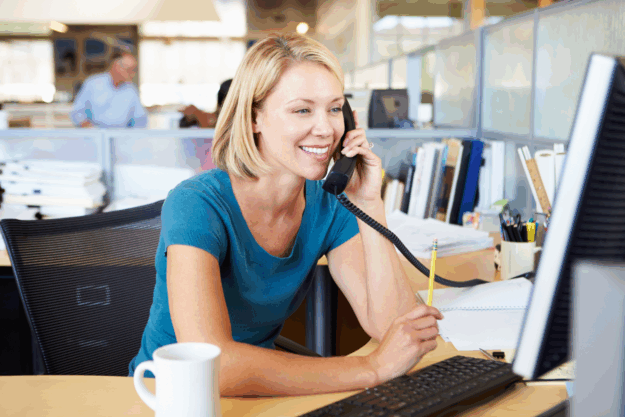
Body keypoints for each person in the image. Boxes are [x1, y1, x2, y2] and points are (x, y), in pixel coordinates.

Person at [129, 33, 443, 396]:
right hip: (173, 398)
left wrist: (370, 203)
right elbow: (213, 366)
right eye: (302, 110)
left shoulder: (330, 202)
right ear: (253, 119)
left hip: (262, 392)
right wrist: (371, 368)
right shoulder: (197, 205)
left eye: (335, 108)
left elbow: (397, 328)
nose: (326, 128)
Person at [70, 51, 147, 128]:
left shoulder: (131, 90)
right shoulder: (92, 84)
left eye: (134, 70)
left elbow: (140, 119)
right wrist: (91, 130)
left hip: (121, 137)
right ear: (116, 66)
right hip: (93, 136)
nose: (132, 74)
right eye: (129, 69)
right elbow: (77, 113)